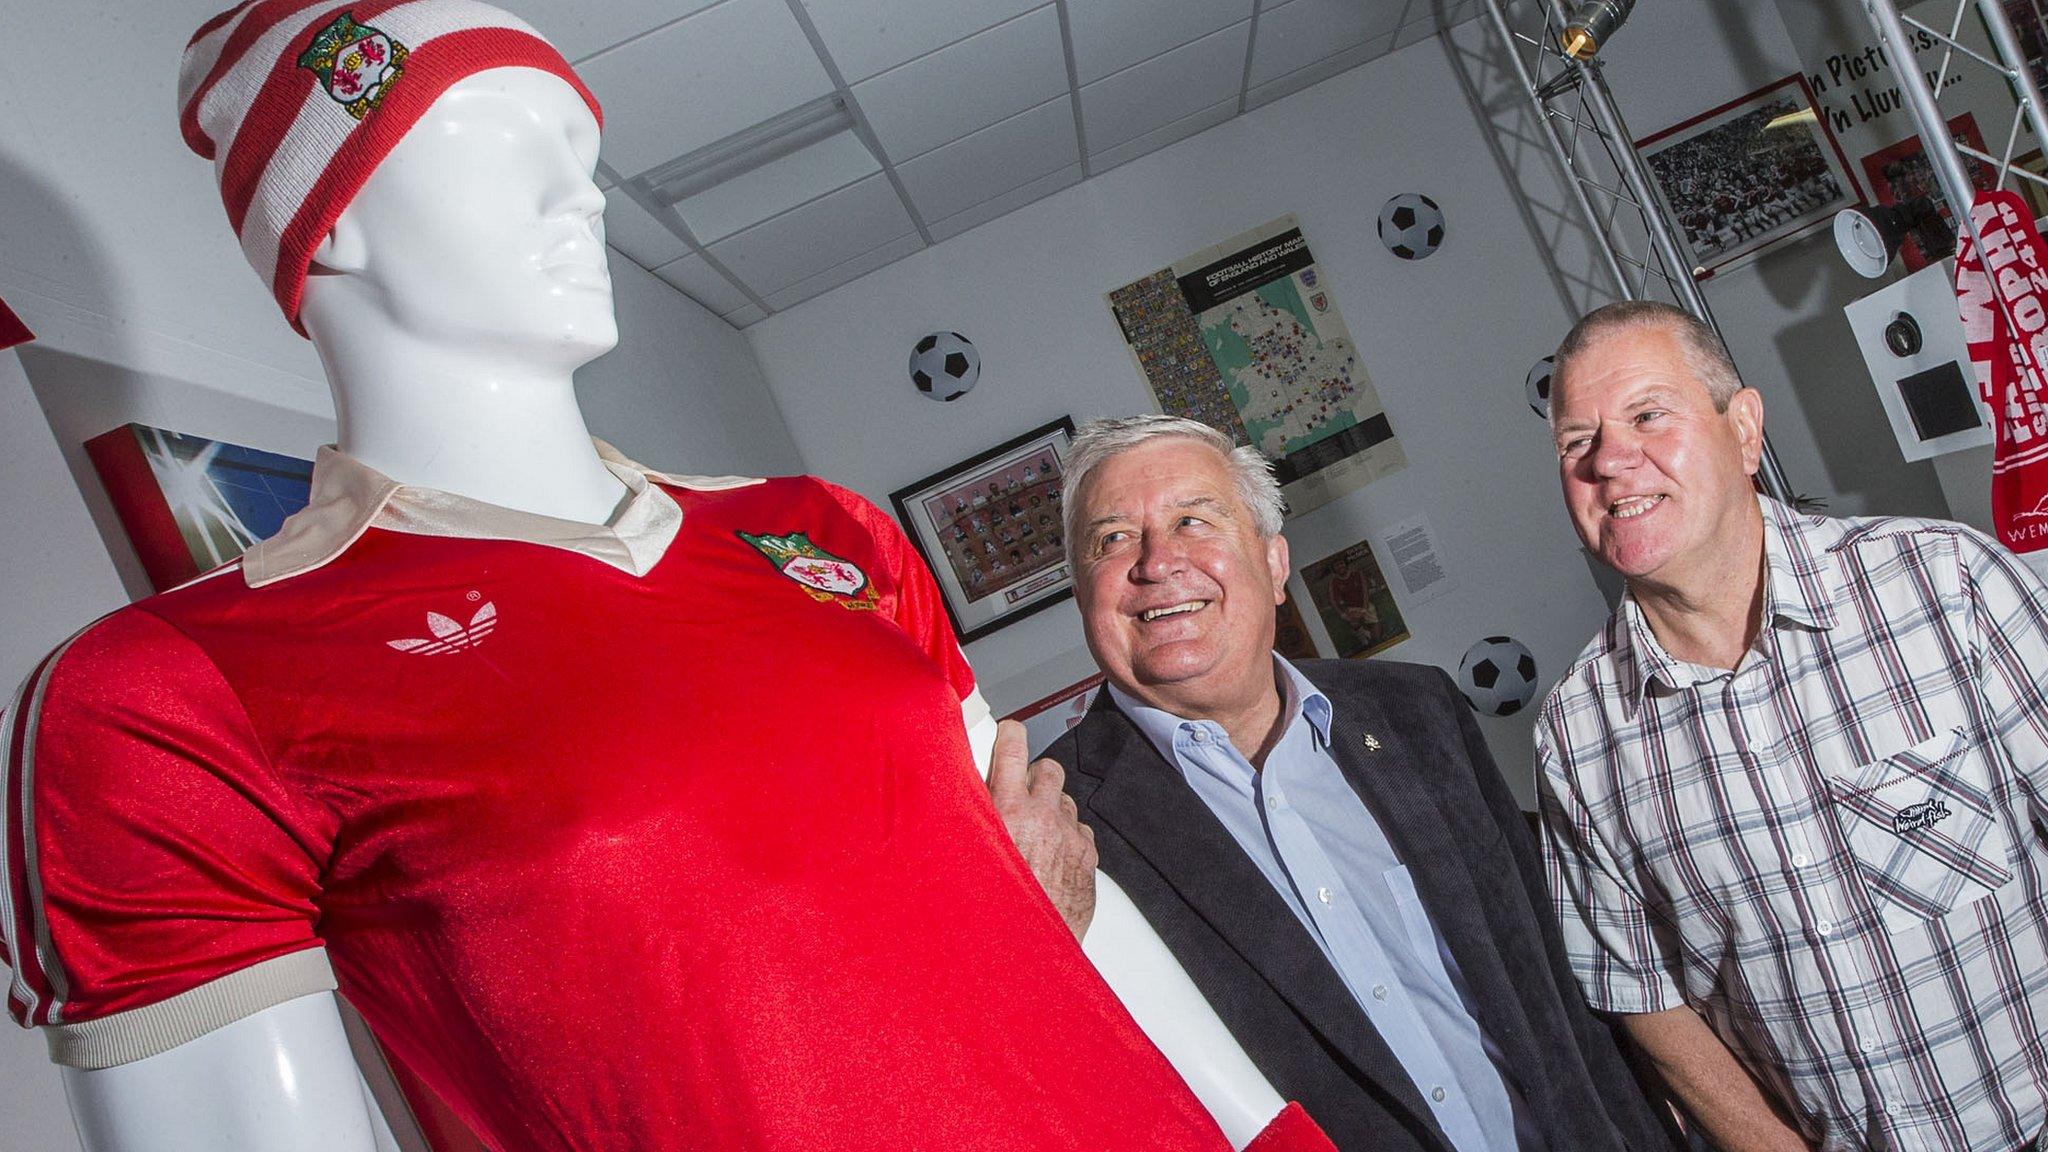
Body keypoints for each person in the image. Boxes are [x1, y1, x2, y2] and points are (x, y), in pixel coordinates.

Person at [0, 5, 1337, 1150]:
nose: (580, 195)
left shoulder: (827, 534)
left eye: (580, 154)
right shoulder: (174, 701)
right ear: (329, 221)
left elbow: (1072, 910)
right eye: (506, 150)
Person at [1038, 414, 1677, 1152]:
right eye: (1112, 539)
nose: (1158, 561)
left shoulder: (1417, 711)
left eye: (1194, 519)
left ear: (1274, 564)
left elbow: (1554, 971)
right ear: (1084, 591)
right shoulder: (1055, 827)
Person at [1536, 300, 2048, 1152]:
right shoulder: (1579, 735)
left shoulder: (1944, 586)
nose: (1612, 462)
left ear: (1743, 430)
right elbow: (1641, 994)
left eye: (1648, 415)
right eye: (1575, 443)